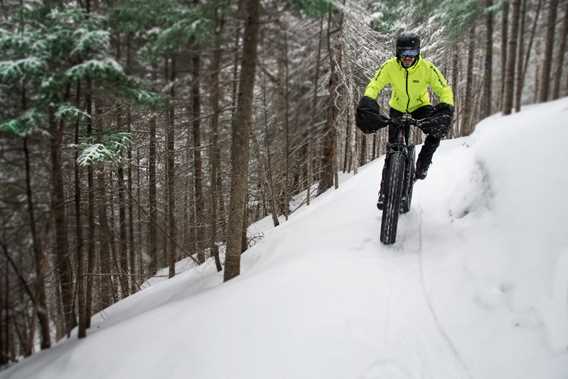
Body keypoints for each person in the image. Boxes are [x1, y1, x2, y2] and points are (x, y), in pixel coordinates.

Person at [356, 31, 455, 210]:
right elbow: (374, 85)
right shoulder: (389, 67)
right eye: (404, 54)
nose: (408, 58)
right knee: (393, 148)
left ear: (418, 53)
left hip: (420, 107)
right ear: (398, 53)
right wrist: (368, 101)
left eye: (412, 54)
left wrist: (446, 107)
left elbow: (444, 88)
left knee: (437, 129)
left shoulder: (427, 68)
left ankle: (423, 163)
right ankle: (384, 192)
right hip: (398, 108)